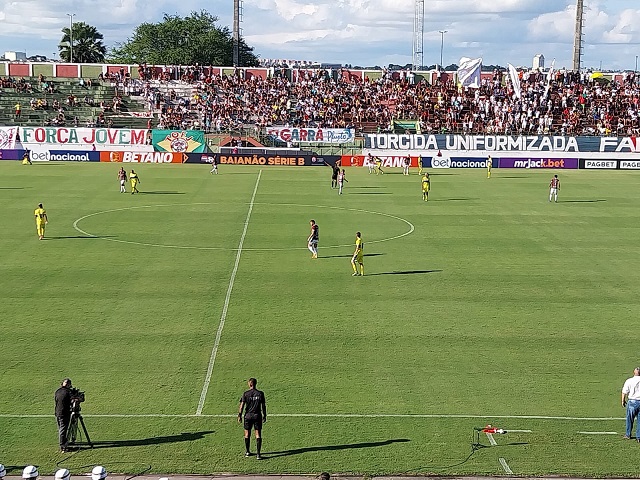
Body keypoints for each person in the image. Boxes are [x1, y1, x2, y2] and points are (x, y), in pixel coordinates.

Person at [238, 377, 267, 460]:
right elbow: (263, 406)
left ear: (249, 384)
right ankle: (258, 454)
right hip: (257, 416)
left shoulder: (246, 394)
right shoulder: (260, 393)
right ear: (255, 384)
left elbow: (242, 405)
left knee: (247, 434)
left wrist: (239, 415)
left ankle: (247, 452)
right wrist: (264, 415)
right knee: (258, 434)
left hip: (248, 416)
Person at [622, 367, 640, 441]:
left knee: (629, 419)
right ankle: (639, 437)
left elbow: (624, 391)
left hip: (632, 401)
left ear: (634, 372)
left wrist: (622, 401)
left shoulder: (629, 381)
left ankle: (628, 434)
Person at [55, 378, 73, 452]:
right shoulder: (68, 392)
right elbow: (73, 399)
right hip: (64, 413)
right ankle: (63, 446)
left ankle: (64, 443)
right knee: (63, 429)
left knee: (61, 429)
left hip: (57, 412)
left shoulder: (57, 391)